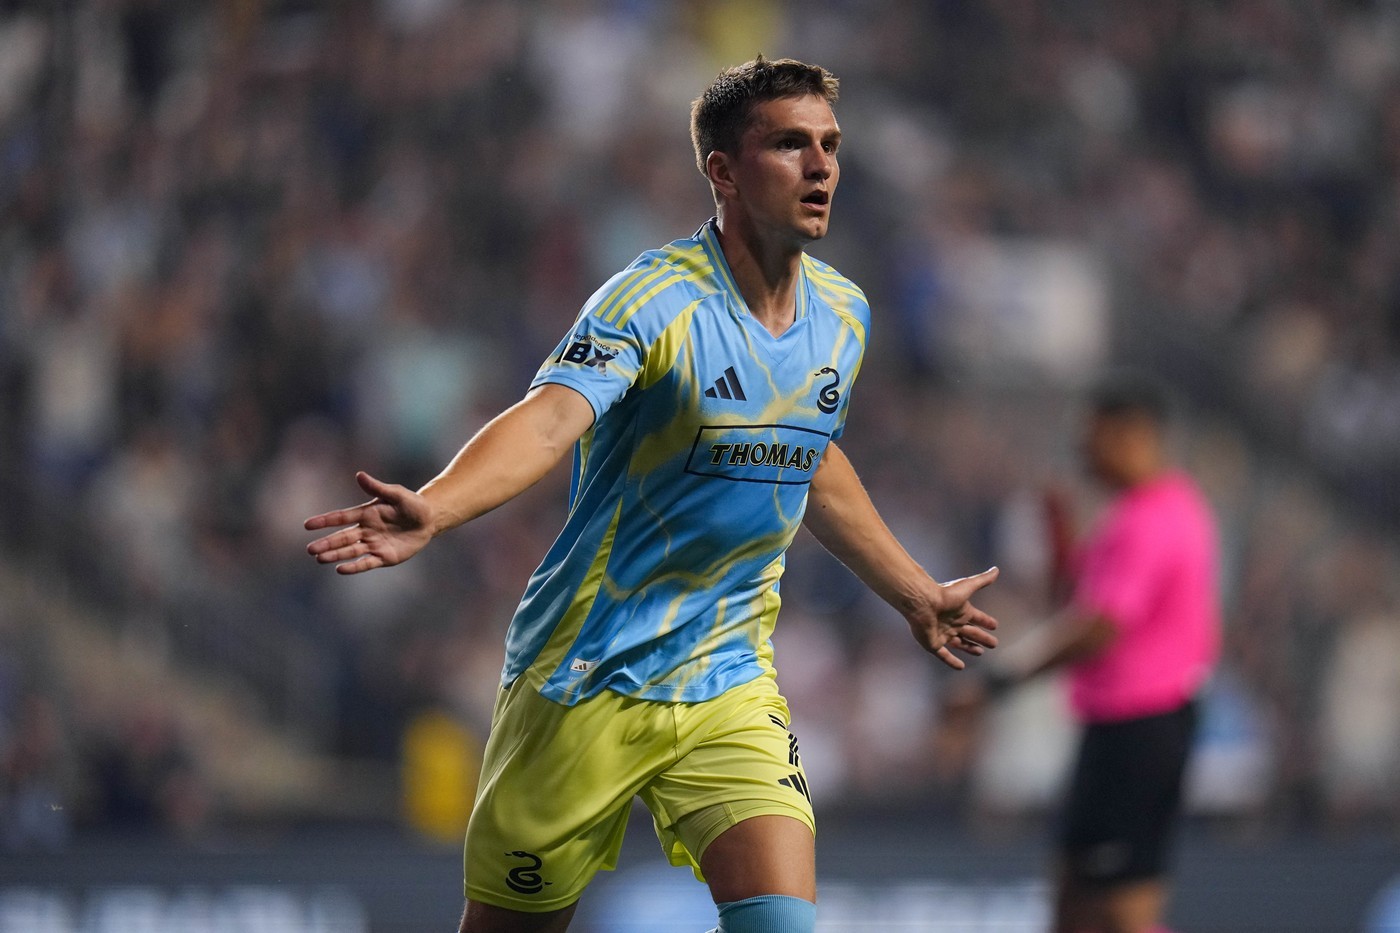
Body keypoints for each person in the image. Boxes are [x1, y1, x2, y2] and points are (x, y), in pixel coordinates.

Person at [305, 57, 1001, 933]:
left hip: (728, 677)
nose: (821, 166)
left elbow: (811, 458)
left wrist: (915, 592)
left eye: (829, 145)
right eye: (791, 145)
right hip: (585, 675)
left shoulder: (844, 315)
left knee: (782, 925)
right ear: (724, 171)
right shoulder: (651, 302)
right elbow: (548, 422)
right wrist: (439, 506)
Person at [952, 373, 1220, 933]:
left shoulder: (1154, 518)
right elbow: (1075, 603)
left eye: (1093, 439)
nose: (1083, 453)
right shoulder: (1134, 515)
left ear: (1132, 435)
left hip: (1142, 729)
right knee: (1074, 897)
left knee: (1123, 909)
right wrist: (1062, 538)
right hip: (1117, 727)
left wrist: (999, 682)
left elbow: (1097, 629)